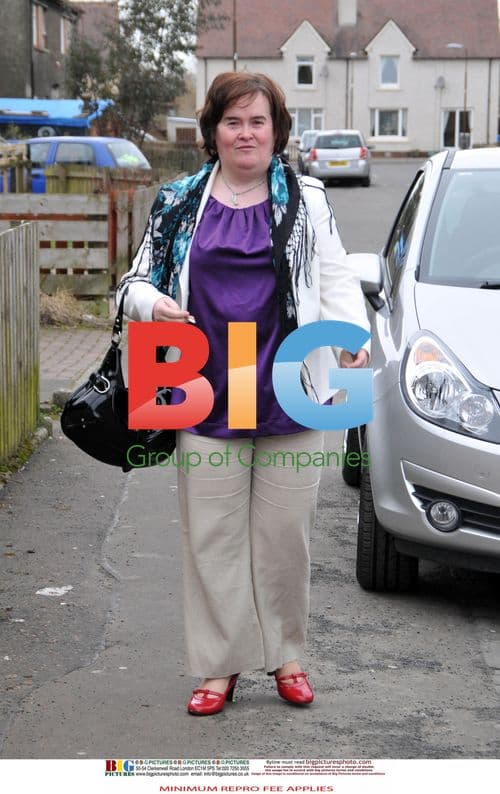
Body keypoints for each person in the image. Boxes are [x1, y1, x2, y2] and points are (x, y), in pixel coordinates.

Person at [116, 71, 370, 716]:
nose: (246, 132)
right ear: (214, 132)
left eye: (258, 121)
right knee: (211, 535)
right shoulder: (178, 200)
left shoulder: (306, 199)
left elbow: (336, 274)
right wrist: (151, 301)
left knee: (286, 535)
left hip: (290, 384)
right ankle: (218, 666)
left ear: (277, 131)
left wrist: (352, 341)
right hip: (200, 387)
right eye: (234, 121)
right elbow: (134, 280)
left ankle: (286, 656)